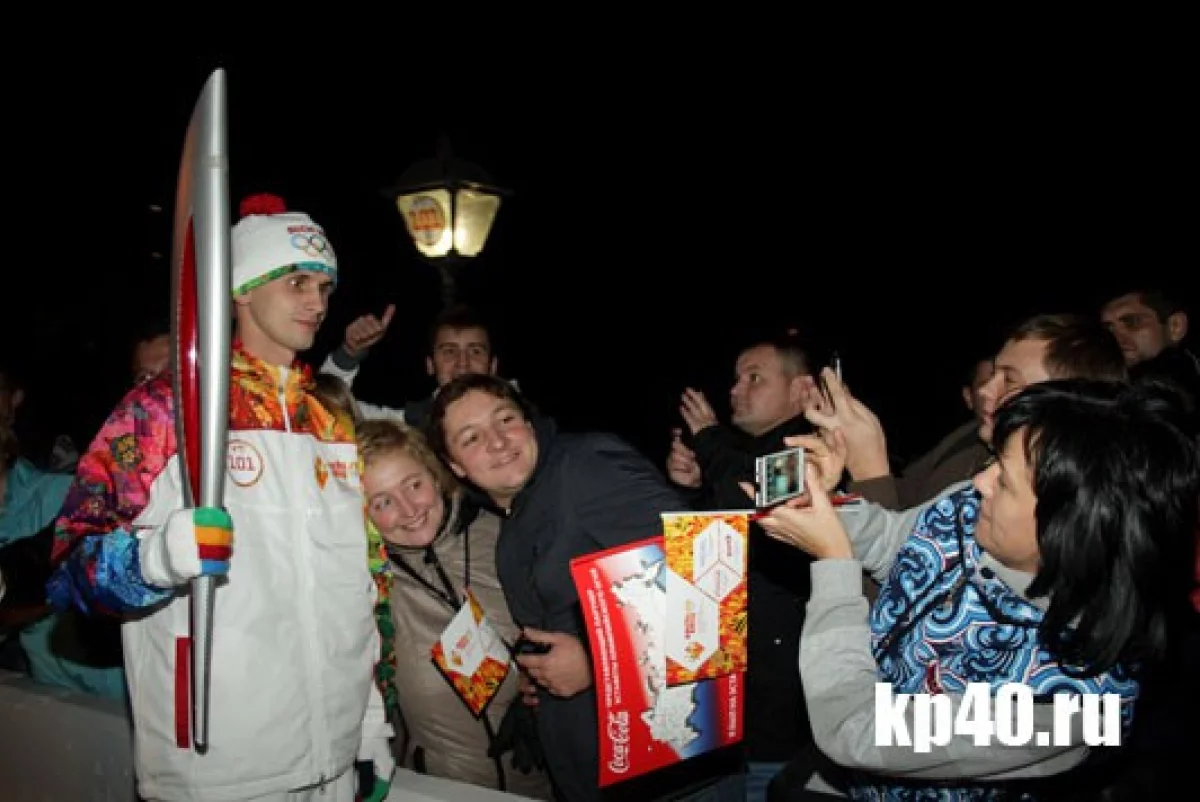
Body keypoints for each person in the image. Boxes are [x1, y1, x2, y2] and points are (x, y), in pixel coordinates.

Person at [45, 193, 394, 802]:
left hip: (336, 763)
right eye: (297, 282)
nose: (318, 303)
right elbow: (70, 568)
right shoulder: (167, 409)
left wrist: (368, 724)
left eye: (324, 287)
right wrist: (156, 559)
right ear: (242, 290)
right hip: (220, 769)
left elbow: (360, 585)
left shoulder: (330, 420)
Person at [755, 377, 1200, 799]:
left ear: (1073, 527)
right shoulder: (977, 506)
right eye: (994, 463)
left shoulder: (1068, 705)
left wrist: (835, 565)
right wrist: (822, 504)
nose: (979, 482)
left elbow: (858, 729)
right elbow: (896, 541)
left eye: (1004, 480)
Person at [427, 373, 743, 802]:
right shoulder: (514, 519)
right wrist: (538, 675)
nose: (497, 441)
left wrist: (596, 665)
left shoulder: (585, 466)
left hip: (673, 776)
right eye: (471, 438)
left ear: (528, 422)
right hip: (595, 772)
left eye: (505, 419)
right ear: (456, 466)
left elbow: (710, 576)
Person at [357, 419, 553, 799]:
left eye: (414, 485)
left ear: (435, 474)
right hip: (442, 788)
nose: (409, 509)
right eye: (382, 502)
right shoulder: (367, 587)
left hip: (546, 782)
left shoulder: (503, 535)